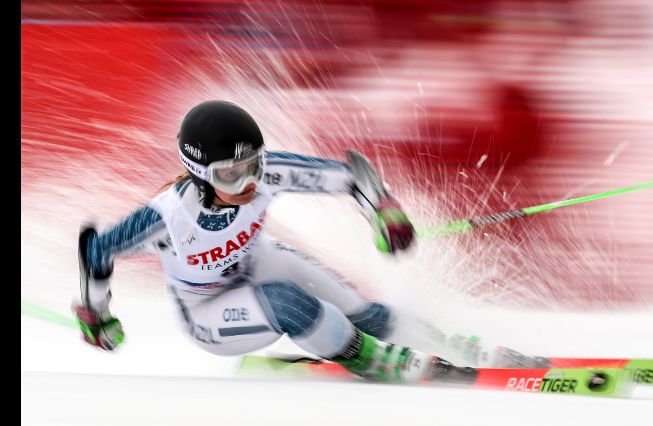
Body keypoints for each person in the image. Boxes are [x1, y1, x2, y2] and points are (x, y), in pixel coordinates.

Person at [73, 100, 476, 384]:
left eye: (254, 167)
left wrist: (384, 211)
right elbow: (97, 250)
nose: (249, 183)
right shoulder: (167, 218)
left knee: (357, 310)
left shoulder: (268, 173)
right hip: (206, 310)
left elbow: (355, 175)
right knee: (287, 301)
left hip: (255, 262)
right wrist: (96, 313)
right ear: (201, 173)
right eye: (233, 175)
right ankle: (369, 358)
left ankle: (442, 344)